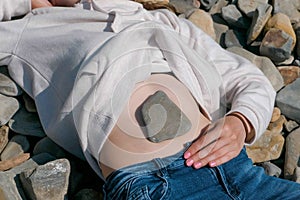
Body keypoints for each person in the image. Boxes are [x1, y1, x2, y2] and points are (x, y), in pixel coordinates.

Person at [0, 0, 299, 199]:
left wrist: (241, 121)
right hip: (154, 185)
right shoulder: (33, 29)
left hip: (240, 172)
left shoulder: (162, 21)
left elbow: (248, 79)